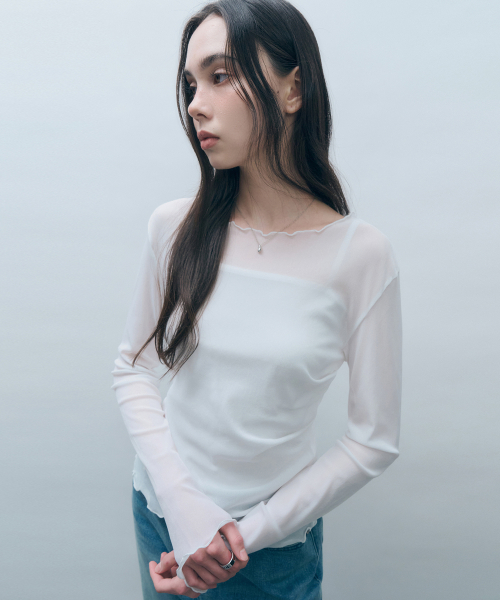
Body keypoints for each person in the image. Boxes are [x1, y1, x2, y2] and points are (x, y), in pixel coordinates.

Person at [111, 0, 402, 598]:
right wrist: (182, 507)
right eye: (190, 84)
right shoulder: (174, 227)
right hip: (162, 521)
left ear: (293, 91)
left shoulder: (361, 256)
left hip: (270, 556)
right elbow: (133, 367)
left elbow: (373, 439)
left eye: (220, 75)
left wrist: (243, 536)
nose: (196, 103)